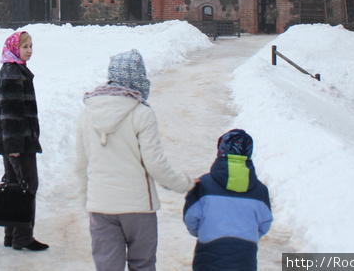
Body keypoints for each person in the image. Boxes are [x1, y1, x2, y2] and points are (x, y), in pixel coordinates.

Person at [75, 49, 192, 271]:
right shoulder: (142, 113)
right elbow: (155, 164)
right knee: (143, 264)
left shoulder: (87, 113)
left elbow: (82, 165)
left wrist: (88, 201)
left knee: (107, 266)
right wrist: (184, 184)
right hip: (138, 208)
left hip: (101, 207)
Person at [183, 129, 273, 271]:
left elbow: (190, 218)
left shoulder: (203, 184)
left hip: (207, 256)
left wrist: (201, 232)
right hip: (245, 257)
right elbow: (265, 222)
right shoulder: (260, 191)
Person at [0, 30, 49, 251]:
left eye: (31, 46)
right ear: (15, 48)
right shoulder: (12, 74)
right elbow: (10, 114)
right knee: (27, 186)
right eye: (25, 47)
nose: (29, 51)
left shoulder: (15, 70)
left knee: (15, 186)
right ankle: (23, 237)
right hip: (18, 142)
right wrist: (14, 147)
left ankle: (11, 235)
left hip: (16, 141)